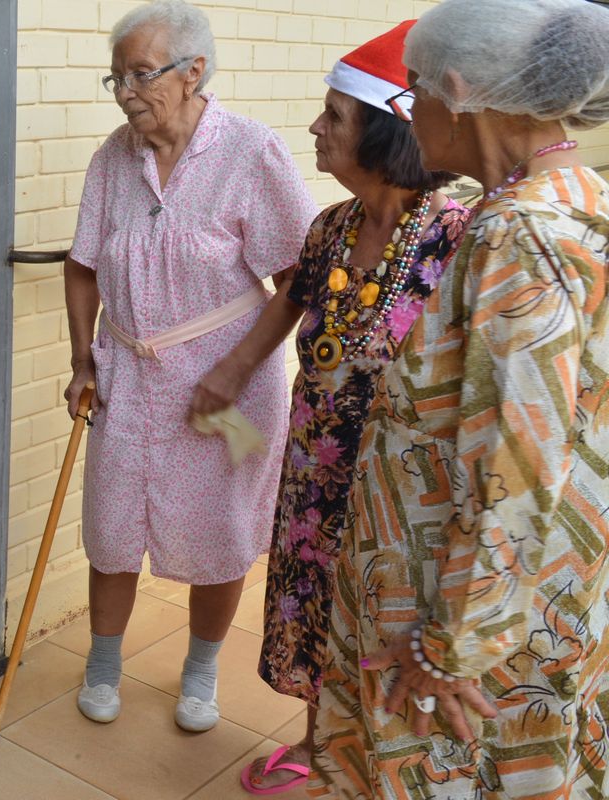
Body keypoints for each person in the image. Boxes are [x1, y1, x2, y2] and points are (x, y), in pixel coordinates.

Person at [311, 1, 609, 796]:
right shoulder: (574, 195)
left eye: (413, 96)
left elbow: (520, 459)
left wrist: (450, 650)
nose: (414, 120)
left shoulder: (523, 234)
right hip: (503, 594)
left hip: (454, 625)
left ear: (455, 91)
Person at [180, 22, 472, 794]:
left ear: (382, 134)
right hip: (315, 466)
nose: (315, 127)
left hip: (400, 487)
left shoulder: (455, 235)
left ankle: (380, 760)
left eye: (334, 117)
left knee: (384, 621)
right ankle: (316, 744)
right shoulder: (331, 228)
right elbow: (291, 302)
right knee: (311, 602)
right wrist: (232, 374)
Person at [61, 0, 317, 733]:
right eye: (116, 79)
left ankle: (201, 670)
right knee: (111, 524)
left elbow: (300, 273)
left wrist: (234, 370)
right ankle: (103, 661)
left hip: (228, 386)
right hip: (129, 376)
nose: (127, 93)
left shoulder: (251, 151)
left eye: (140, 74)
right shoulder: (114, 156)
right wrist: (84, 359)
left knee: (220, 531)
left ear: (193, 70)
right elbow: (82, 268)